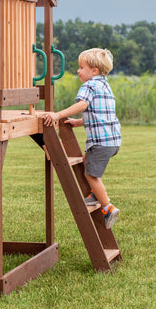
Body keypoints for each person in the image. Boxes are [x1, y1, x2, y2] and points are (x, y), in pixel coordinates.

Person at [43, 48, 121, 229]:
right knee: (86, 159)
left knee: (91, 174)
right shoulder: (105, 86)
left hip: (100, 143)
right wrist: (78, 123)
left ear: (94, 70)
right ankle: (95, 194)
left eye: (81, 67)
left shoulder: (89, 85)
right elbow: (99, 114)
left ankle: (107, 207)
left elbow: (82, 104)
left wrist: (57, 115)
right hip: (112, 141)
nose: (78, 71)